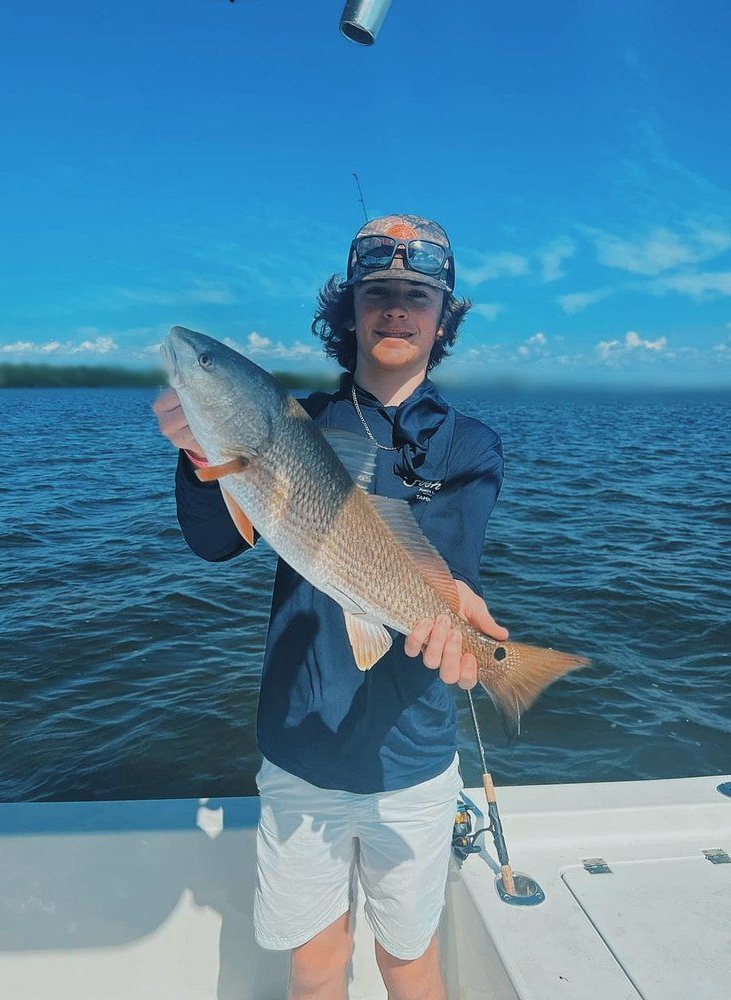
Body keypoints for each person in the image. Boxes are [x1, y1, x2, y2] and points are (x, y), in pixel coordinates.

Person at [153, 214, 508, 1000]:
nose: (395, 308)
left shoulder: (470, 445)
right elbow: (215, 542)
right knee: (313, 967)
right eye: (377, 291)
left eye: (416, 294)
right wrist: (200, 455)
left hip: (412, 760)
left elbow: (447, 564)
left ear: (442, 316)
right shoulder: (298, 422)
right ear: (347, 310)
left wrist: (463, 625)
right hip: (301, 749)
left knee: (408, 961)